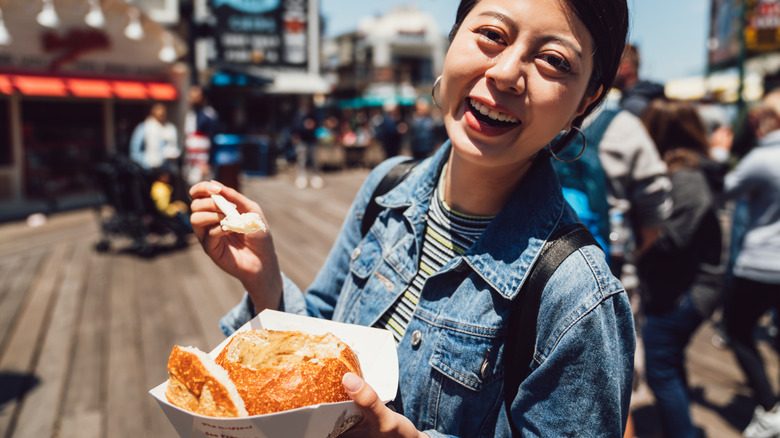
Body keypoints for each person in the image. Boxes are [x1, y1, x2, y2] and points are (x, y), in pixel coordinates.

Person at [190, 0, 634, 435]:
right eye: (492, 35)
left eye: (553, 60)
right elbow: (318, 343)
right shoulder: (386, 186)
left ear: (585, 100)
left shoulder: (579, 297)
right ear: (454, 36)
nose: (504, 73)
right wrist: (265, 280)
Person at [636, 99, 724, 438]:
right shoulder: (684, 172)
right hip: (680, 289)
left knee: (661, 370)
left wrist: (636, 239)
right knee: (670, 365)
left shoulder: (685, 178)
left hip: (684, 294)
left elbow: (671, 241)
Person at [720, 89, 780, 438]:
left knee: (738, 331)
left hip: (761, 263)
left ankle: (769, 407)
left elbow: (723, 190)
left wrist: (717, 154)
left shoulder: (762, 157)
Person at [612, 43, 666, 118]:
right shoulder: (650, 97)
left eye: (612, 67)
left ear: (625, 66)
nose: (608, 74)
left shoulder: (632, 106)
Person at [184, 85, 222, 185]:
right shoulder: (191, 115)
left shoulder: (209, 115)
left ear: (203, 97)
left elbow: (212, 140)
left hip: (203, 165)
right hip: (190, 163)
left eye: (195, 95)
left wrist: (208, 163)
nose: (191, 97)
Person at [129, 103, 181, 173]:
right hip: (149, 169)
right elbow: (134, 151)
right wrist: (145, 163)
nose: (161, 115)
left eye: (163, 113)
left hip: (168, 170)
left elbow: (177, 147)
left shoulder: (171, 128)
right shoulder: (145, 127)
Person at [292, 97, 323, 189]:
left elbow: (318, 125)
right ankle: (301, 178)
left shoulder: (314, 115)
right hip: (303, 141)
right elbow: (295, 127)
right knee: (302, 160)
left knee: (313, 160)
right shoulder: (300, 115)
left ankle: (315, 177)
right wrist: (305, 126)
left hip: (312, 141)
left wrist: (313, 125)